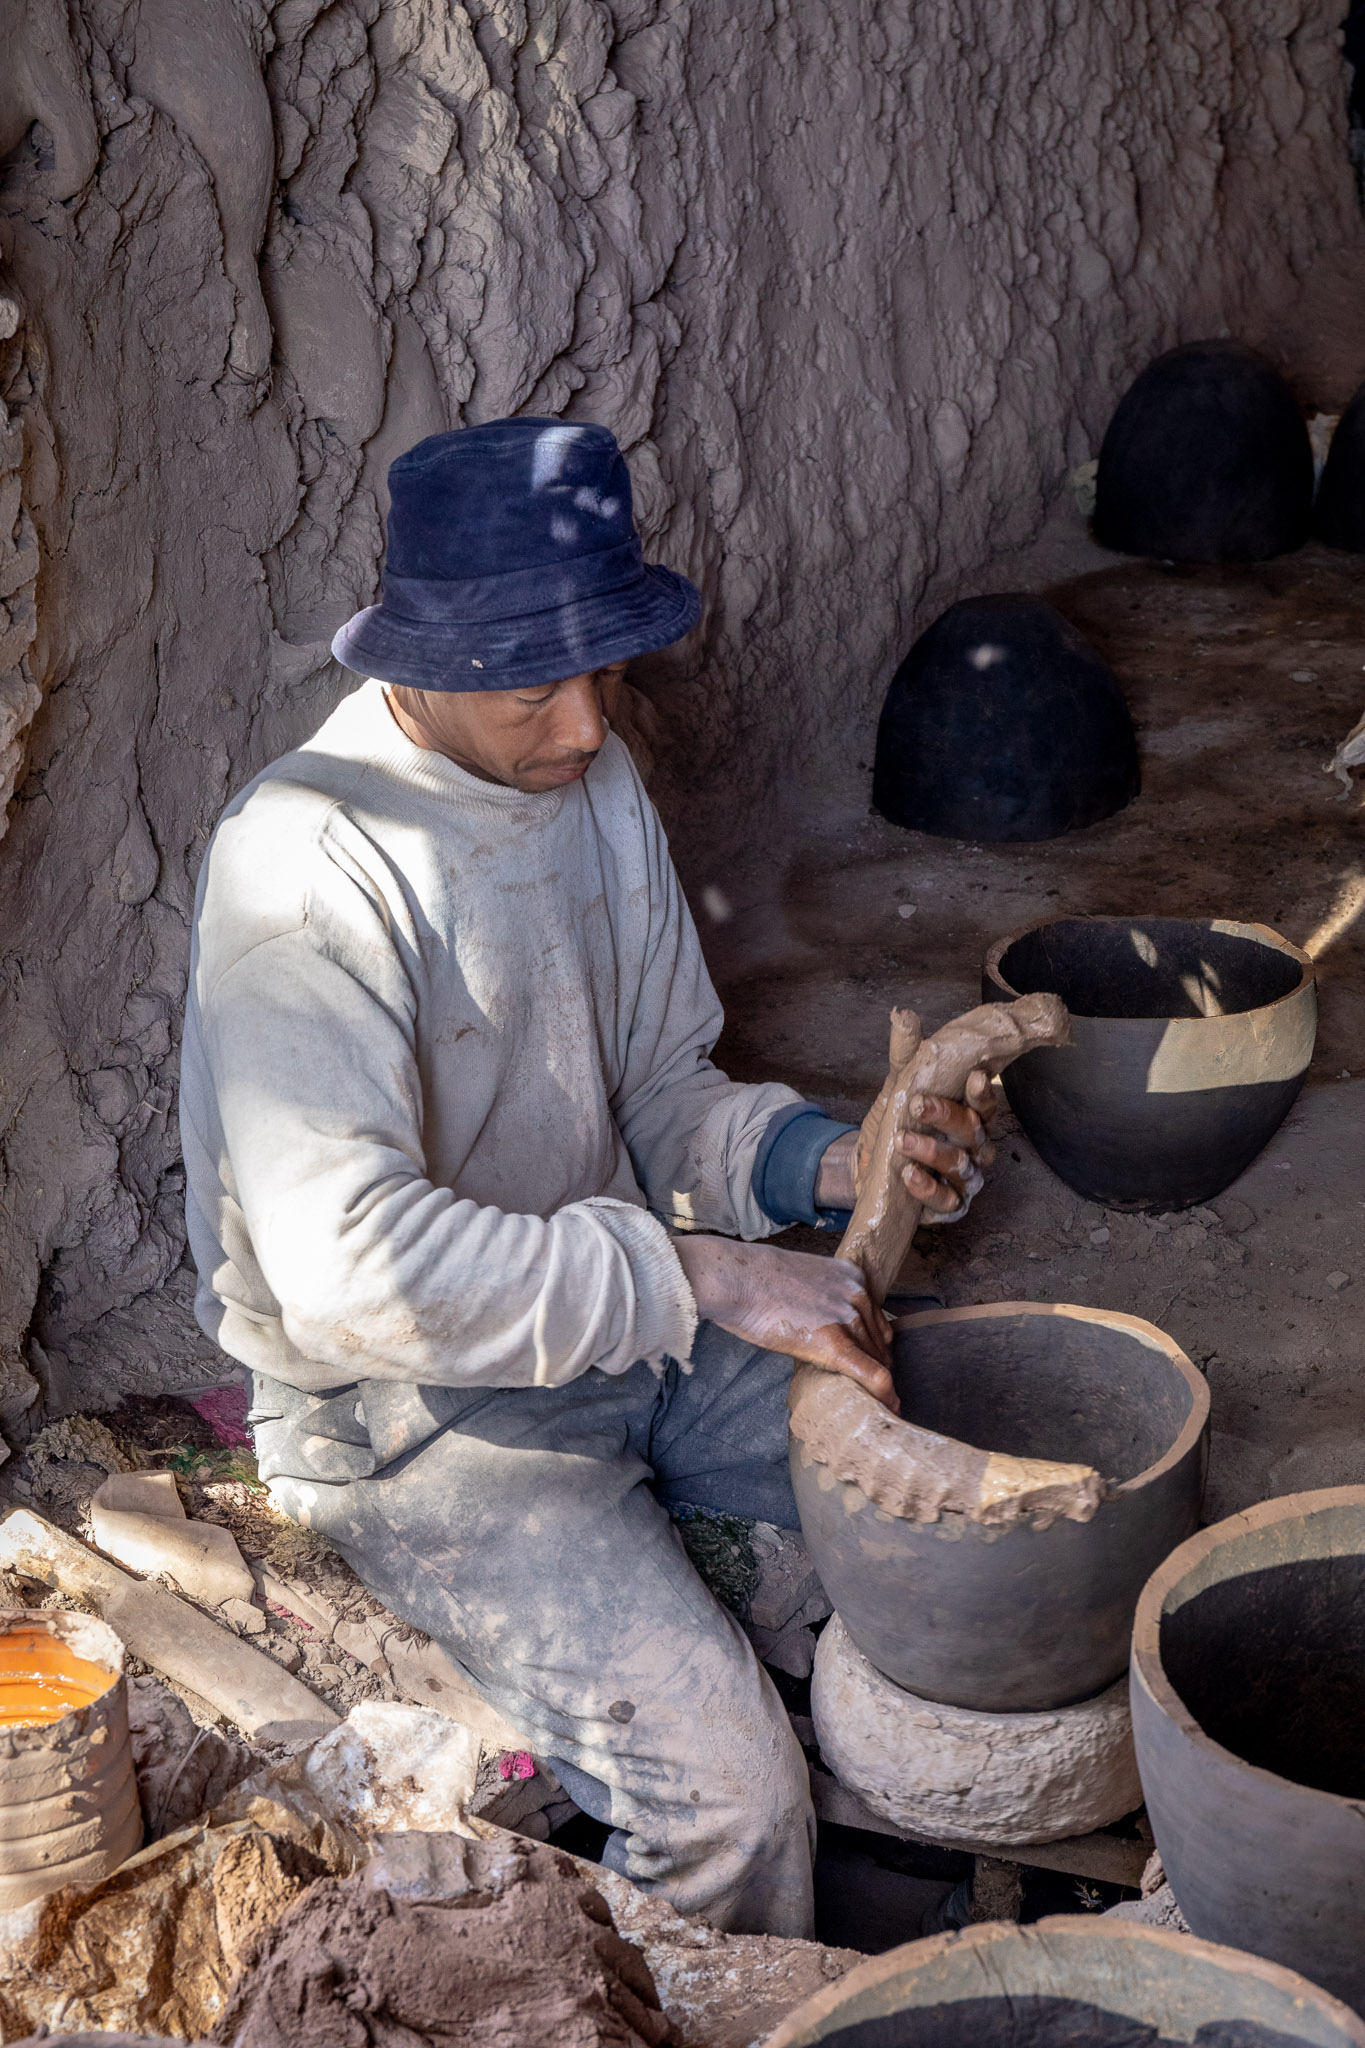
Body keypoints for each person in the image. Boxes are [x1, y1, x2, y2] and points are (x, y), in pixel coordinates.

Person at [180, 418, 993, 1937]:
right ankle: (700, 2004)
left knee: (960, 1505)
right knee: (726, 1795)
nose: (579, 724)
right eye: (529, 680)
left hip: (626, 1326)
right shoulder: (308, 866)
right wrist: (699, 1274)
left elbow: (655, 1093)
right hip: (419, 1420)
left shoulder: (589, 774)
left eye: (602, 669)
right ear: (413, 654)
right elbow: (354, 1279)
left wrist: (828, 1161)